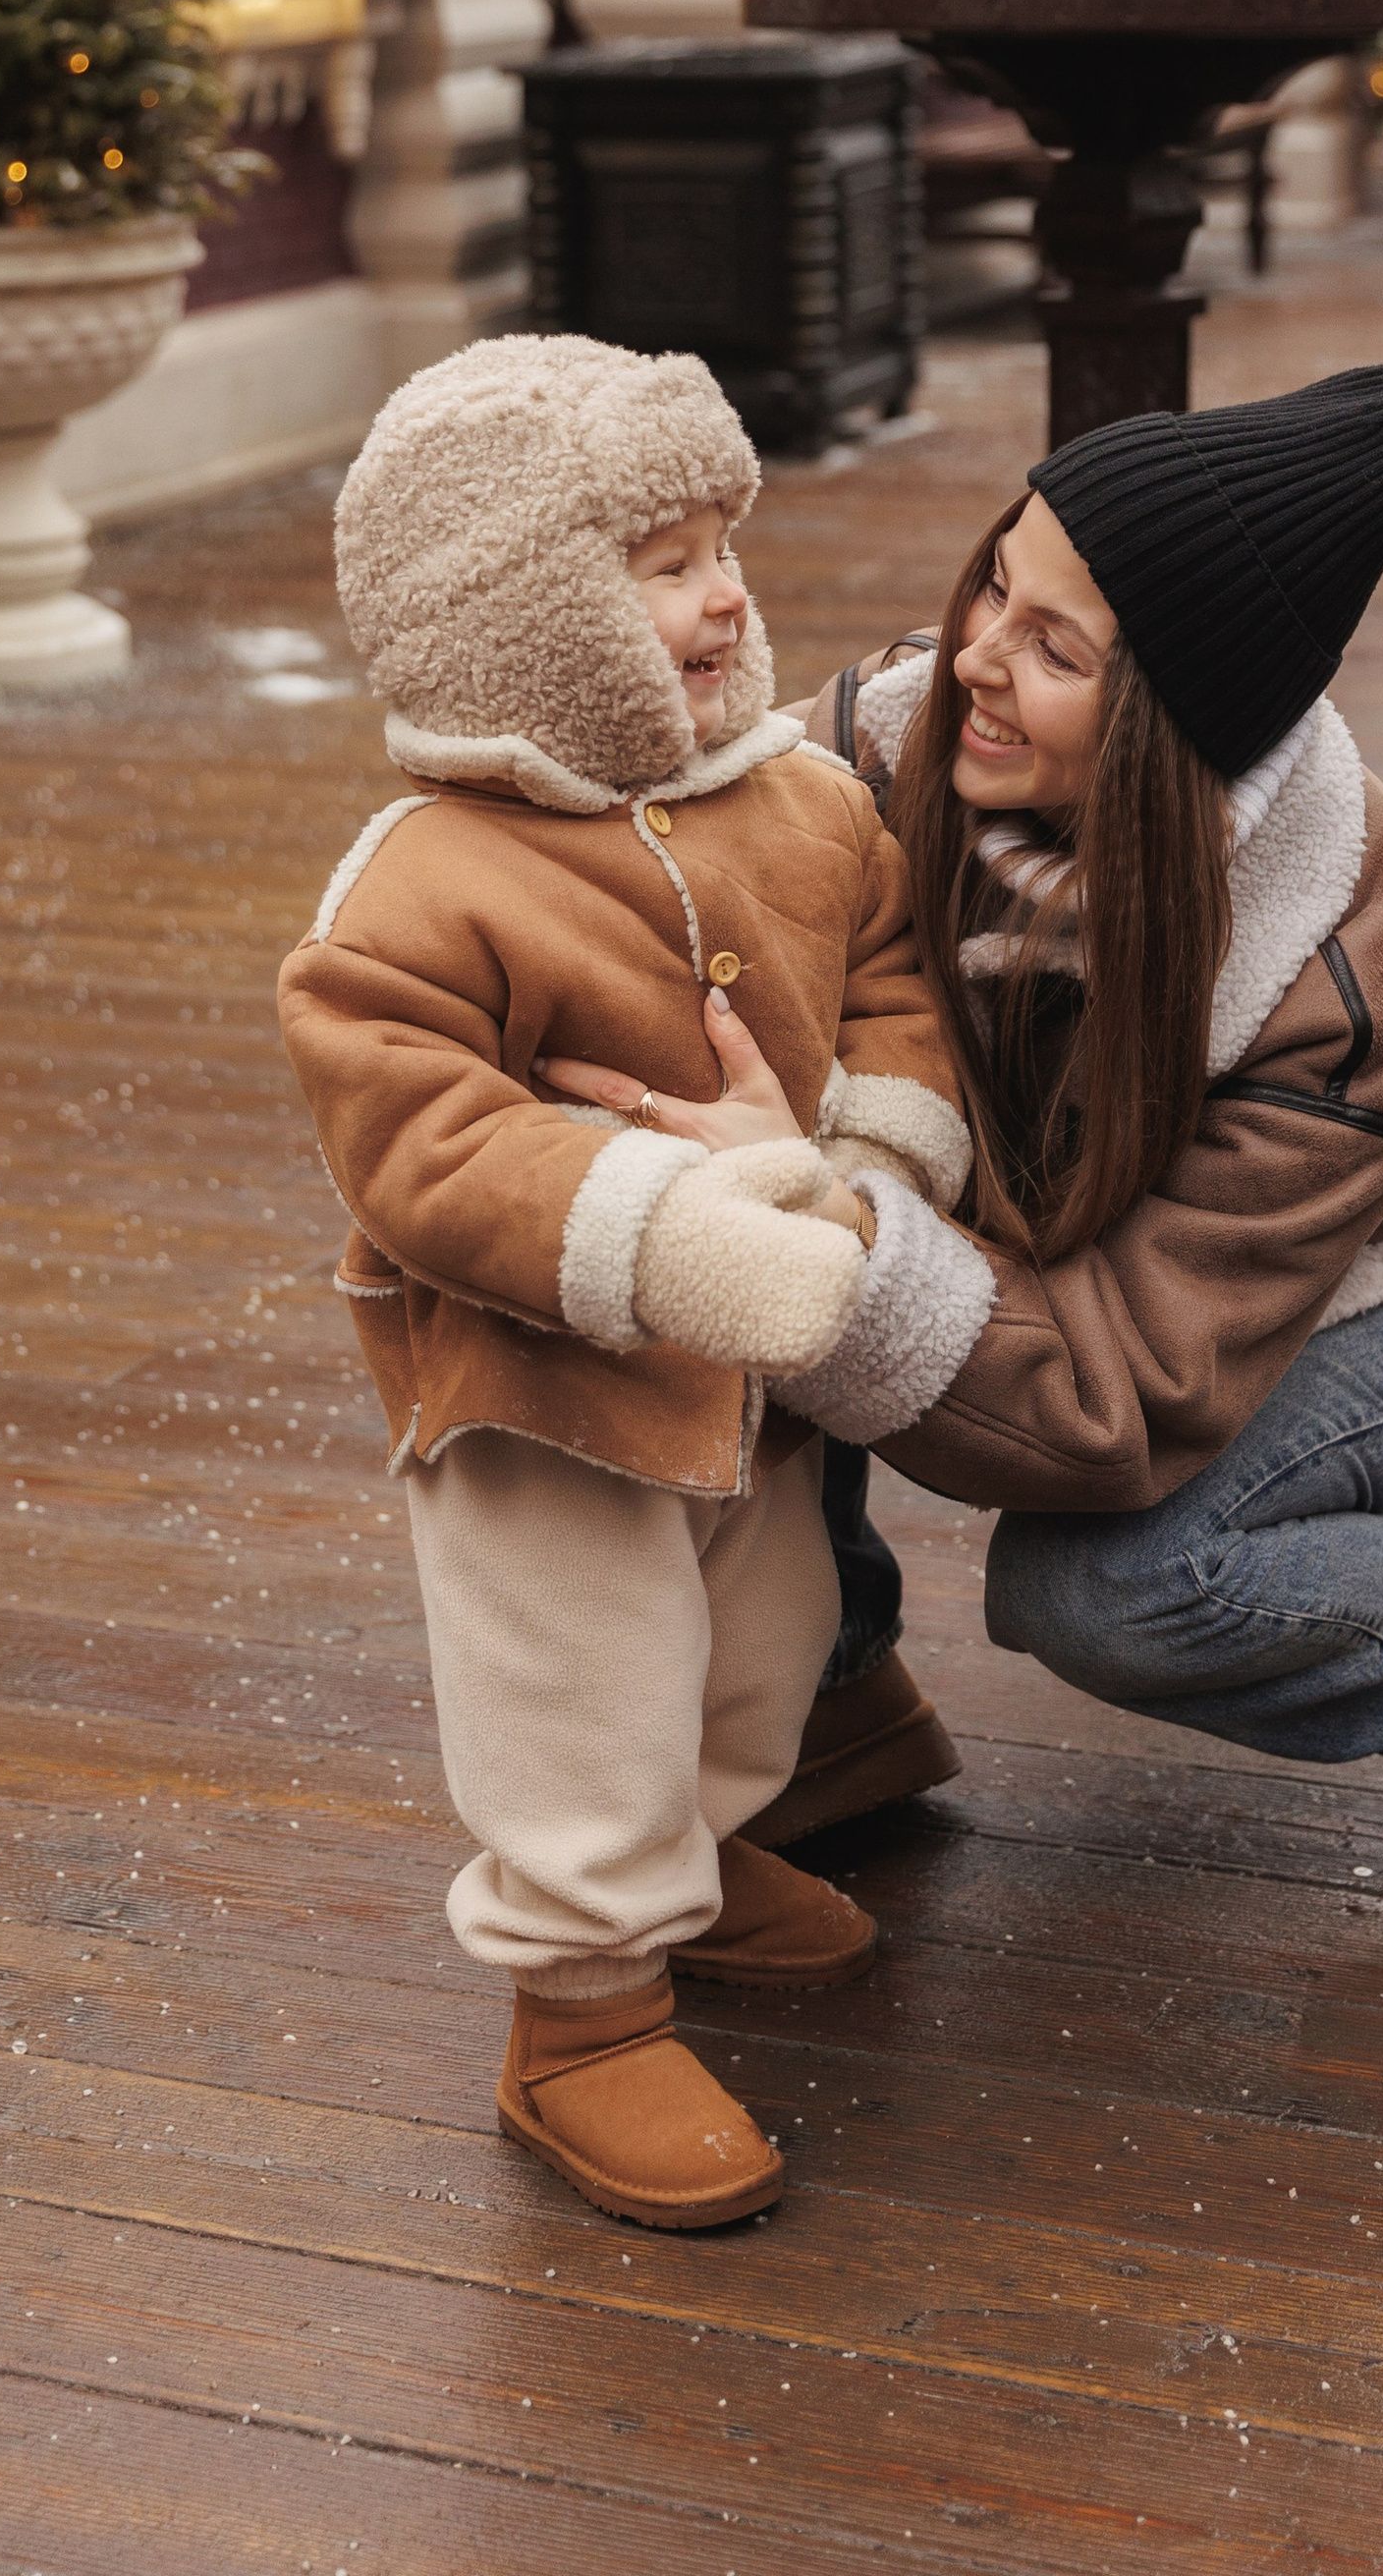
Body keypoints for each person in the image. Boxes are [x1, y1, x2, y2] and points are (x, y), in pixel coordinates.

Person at [545, 363, 1383, 1928]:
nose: (974, 652)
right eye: (995, 582)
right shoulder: (883, 744)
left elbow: (1122, 1396)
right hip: (1032, 1217)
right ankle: (826, 1697)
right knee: (702, 1239)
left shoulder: (1340, 993)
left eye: (1054, 646)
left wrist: (829, 1216)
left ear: (1167, 726)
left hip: (1370, 1294)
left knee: (1106, 1589)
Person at [277, 337, 969, 2231]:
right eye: (659, 561)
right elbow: (423, 1146)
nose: (724, 592)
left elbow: (896, 982)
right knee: (581, 1691)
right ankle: (579, 2010)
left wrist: (866, 1164)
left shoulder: (802, 807)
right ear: (515, 609)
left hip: (754, 1373)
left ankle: (703, 1843)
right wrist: (672, 1231)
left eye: (721, 543)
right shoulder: (420, 890)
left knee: (761, 1640)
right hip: (538, 1387)